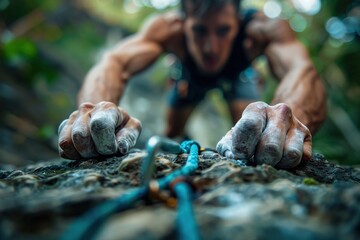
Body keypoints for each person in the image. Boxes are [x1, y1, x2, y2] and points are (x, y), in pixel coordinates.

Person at [58, 0, 326, 169]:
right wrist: (95, 110)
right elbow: (114, 62)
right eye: (199, 31)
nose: (211, 48)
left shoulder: (262, 28)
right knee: (173, 131)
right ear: (183, 24)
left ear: (238, 21)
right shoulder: (166, 28)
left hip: (237, 77)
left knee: (255, 131)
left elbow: (300, 70)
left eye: (223, 31)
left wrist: (288, 123)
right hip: (189, 78)